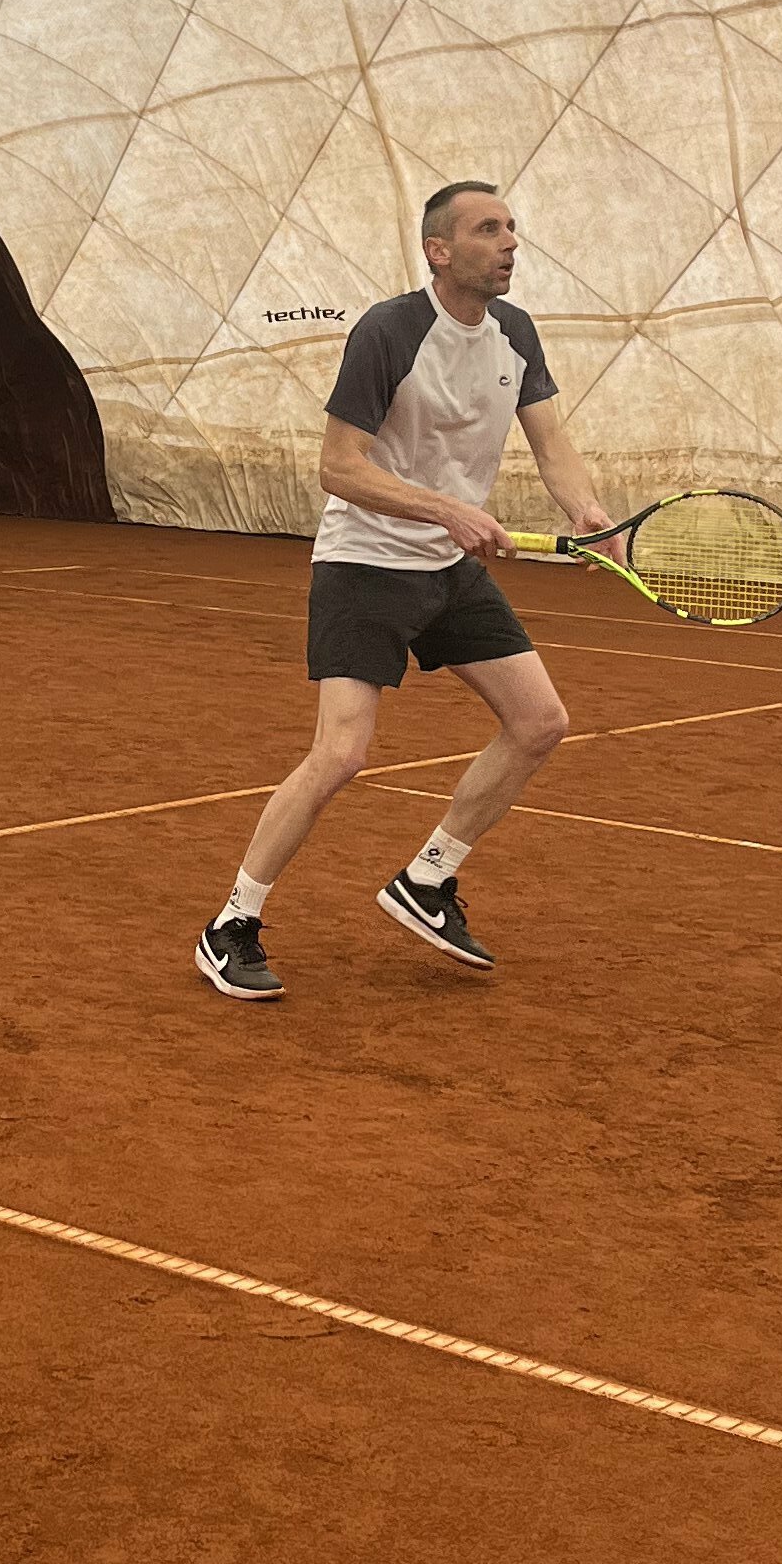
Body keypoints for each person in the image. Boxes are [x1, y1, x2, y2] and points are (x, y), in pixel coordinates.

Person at [196, 181, 614, 998]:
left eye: (512, 228)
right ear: (439, 251)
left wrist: (588, 513)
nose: (509, 242)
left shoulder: (516, 332)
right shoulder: (388, 331)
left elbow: (551, 442)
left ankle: (428, 878)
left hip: (447, 569)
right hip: (364, 565)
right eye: (488, 229)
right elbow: (338, 467)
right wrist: (446, 509)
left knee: (539, 722)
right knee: (342, 754)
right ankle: (232, 923)